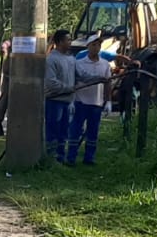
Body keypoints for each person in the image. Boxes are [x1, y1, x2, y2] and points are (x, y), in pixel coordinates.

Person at [67, 32, 114, 166]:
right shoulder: (79, 63)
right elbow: (73, 82)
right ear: (88, 46)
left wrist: (108, 100)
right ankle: (71, 157)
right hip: (80, 101)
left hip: (96, 103)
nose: (96, 47)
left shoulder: (105, 64)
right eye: (94, 44)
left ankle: (89, 158)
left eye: (99, 45)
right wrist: (71, 100)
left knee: (93, 133)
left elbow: (108, 83)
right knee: (75, 131)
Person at [44, 29, 76, 163]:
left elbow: (80, 74)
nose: (70, 42)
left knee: (64, 132)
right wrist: (69, 88)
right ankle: (51, 158)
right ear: (59, 42)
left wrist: (97, 78)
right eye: (67, 40)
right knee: (53, 131)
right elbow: (51, 82)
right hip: (54, 101)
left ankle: (61, 157)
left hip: (67, 101)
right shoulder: (51, 59)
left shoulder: (71, 59)